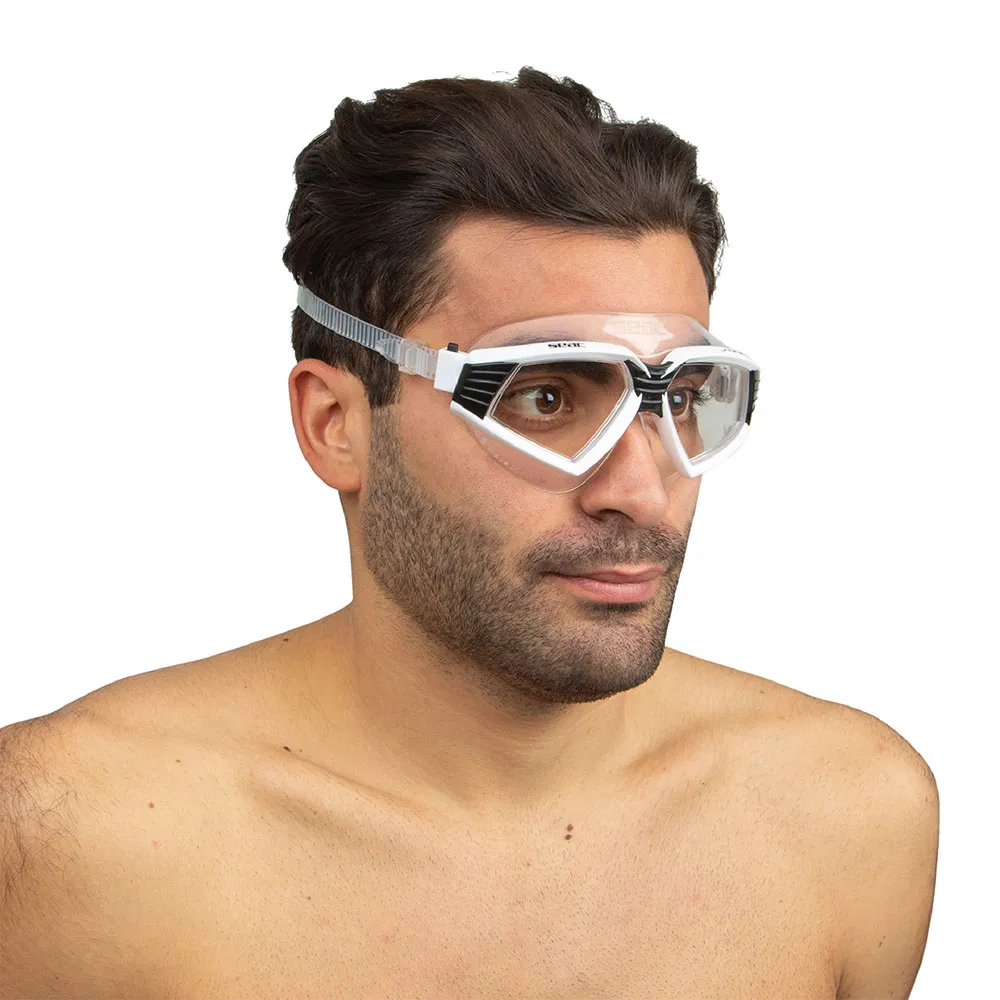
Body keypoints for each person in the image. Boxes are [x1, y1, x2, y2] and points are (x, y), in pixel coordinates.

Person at [0, 67, 938, 999]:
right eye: (545, 398)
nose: (642, 492)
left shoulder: (846, 816)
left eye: (683, 399)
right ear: (336, 425)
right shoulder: (81, 838)